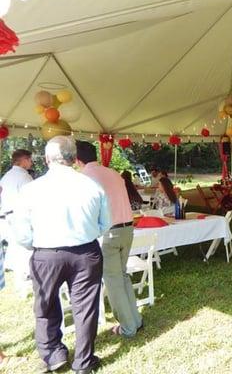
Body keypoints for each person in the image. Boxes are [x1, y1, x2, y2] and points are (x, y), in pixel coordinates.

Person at [13, 136, 111, 373]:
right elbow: (105, 223)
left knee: (45, 305)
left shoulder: (31, 189)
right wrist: (86, 233)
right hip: (86, 252)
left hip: (46, 253)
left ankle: (52, 353)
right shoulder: (92, 185)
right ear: (73, 159)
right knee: (85, 307)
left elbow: (22, 233)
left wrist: (34, 246)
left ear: (47, 159)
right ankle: (84, 361)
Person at [76, 141, 143, 339]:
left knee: (113, 281)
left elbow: (87, 211)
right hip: (127, 229)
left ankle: (128, 326)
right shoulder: (113, 172)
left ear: (77, 160)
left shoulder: (85, 178)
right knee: (122, 276)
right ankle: (135, 320)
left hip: (109, 233)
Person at [0, 149, 33, 297]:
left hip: (7, 216)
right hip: (20, 216)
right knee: (25, 250)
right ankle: (25, 281)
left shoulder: (6, 176)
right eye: (30, 159)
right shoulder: (24, 176)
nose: (31, 162)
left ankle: (20, 282)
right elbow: (31, 198)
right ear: (23, 160)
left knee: (17, 249)